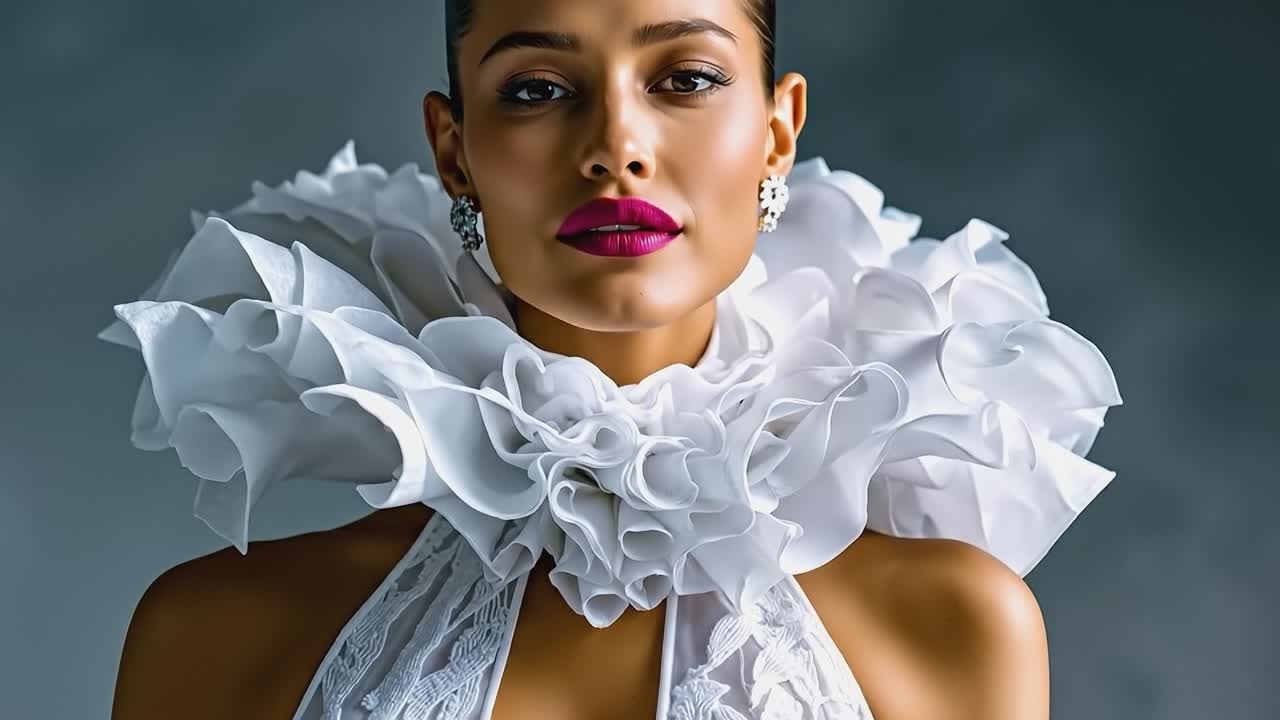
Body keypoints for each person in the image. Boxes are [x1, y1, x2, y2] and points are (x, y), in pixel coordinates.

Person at [103, 1, 1122, 718]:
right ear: (453, 151)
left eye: (684, 78)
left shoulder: (957, 628)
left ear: (774, 134)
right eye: (539, 88)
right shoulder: (216, 634)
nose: (615, 144)